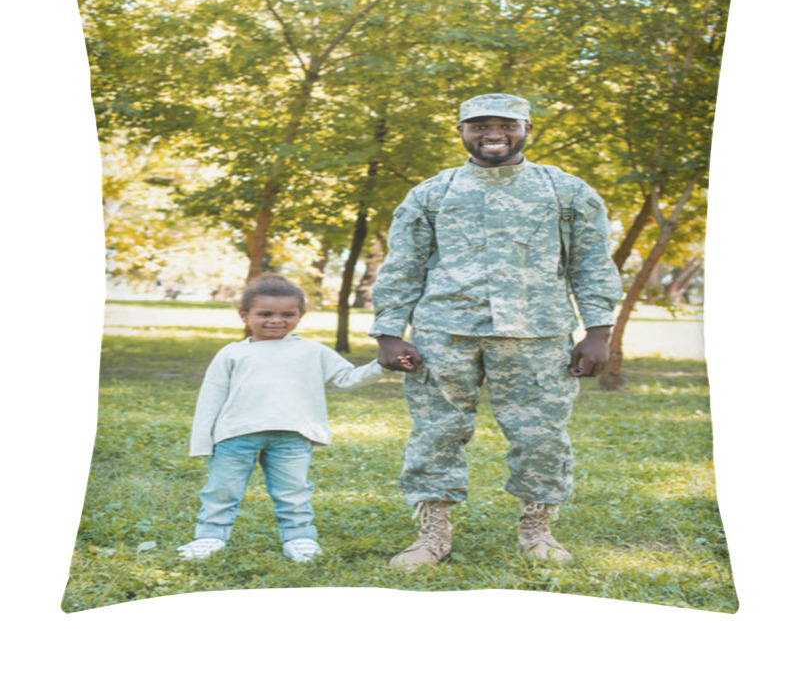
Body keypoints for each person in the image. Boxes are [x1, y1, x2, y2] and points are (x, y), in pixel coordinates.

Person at [370, 93, 623, 569]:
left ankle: (537, 531)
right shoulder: (432, 193)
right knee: (436, 433)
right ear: (460, 131)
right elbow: (402, 265)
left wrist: (598, 332)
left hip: (538, 334)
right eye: (479, 124)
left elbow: (591, 264)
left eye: (505, 125)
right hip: (444, 333)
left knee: (542, 436)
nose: (493, 134)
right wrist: (389, 332)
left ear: (528, 128)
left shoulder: (565, 191)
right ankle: (432, 536)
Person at [178, 275, 392, 562]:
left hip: (292, 435)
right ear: (244, 315)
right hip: (236, 435)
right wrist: (203, 442)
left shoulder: (312, 351)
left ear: (300, 316)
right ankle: (210, 537)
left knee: (293, 492)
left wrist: (382, 364)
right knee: (222, 490)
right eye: (265, 314)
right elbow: (211, 398)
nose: (276, 321)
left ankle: (299, 538)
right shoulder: (232, 353)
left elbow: (346, 378)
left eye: (287, 314)